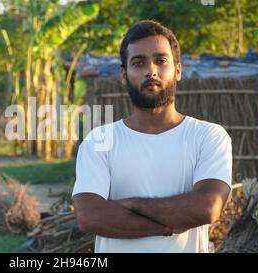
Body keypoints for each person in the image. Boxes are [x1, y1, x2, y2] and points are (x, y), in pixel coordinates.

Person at [72, 20, 232, 253]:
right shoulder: (100, 141)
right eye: (138, 63)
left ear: (177, 70)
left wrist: (130, 204)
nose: (151, 70)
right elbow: (90, 216)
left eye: (161, 60)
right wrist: (170, 223)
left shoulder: (208, 136)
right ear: (124, 75)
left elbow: (207, 207)